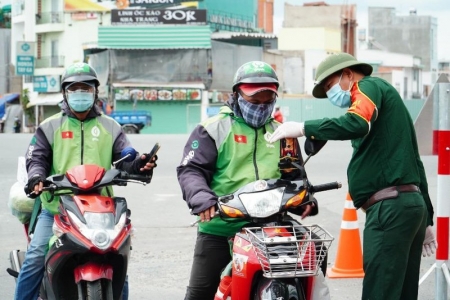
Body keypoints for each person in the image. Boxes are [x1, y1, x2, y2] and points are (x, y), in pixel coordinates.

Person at [268, 52, 436, 300]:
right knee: (402, 292)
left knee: (380, 292)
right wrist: (426, 218)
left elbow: (356, 122)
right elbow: (416, 162)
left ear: (347, 74)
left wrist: (304, 128)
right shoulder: (387, 108)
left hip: (389, 209)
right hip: (410, 206)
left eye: (330, 85)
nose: (331, 94)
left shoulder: (368, 86)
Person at [177, 61, 319, 300]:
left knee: (314, 253)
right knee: (200, 293)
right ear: (236, 94)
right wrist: (202, 198)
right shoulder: (213, 129)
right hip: (222, 227)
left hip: (274, 227)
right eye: (254, 100)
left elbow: (295, 177)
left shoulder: (283, 133)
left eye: (267, 101)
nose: (261, 106)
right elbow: (191, 170)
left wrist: (306, 199)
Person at [15, 62, 157, 300]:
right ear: (65, 93)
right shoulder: (49, 127)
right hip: (57, 208)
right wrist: (36, 177)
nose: (80, 93)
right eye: (74, 88)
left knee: (118, 259)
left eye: (86, 88)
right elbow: (36, 158)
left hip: (102, 209)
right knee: (36, 256)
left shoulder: (110, 127)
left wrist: (139, 163)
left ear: (95, 92)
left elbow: (125, 156)